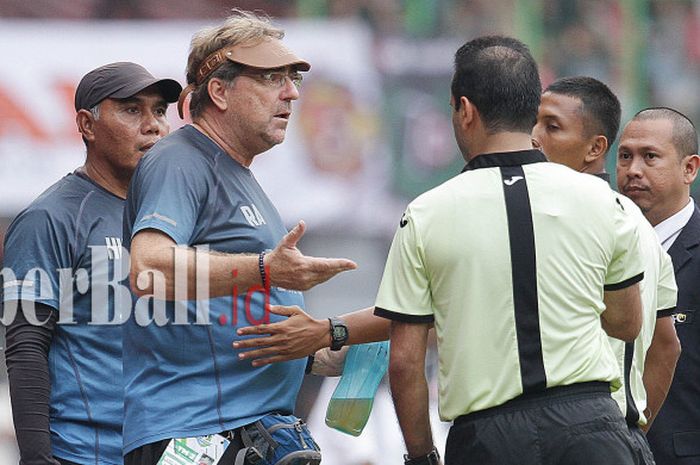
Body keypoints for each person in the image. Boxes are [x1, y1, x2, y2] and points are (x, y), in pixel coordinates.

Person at [374, 36, 645, 465]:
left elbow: (406, 364)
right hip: (592, 428)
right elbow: (627, 324)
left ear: (465, 110)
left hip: (487, 438)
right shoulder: (603, 202)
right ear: (530, 108)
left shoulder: (424, 214)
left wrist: (423, 457)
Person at [121, 9, 356, 465]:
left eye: (293, 80)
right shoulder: (182, 160)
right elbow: (148, 271)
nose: (290, 93)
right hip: (196, 434)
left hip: (243, 430)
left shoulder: (237, 175)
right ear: (219, 91)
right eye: (271, 78)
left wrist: (345, 341)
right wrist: (265, 269)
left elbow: (228, 327)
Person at [1, 62, 181, 465]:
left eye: (159, 111)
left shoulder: (173, 215)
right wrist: (36, 458)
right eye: (132, 110)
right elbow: (25, 345)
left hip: (169, 451)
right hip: (86, 452)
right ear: (87, 124)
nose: (153, 125)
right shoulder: (50, 218)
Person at [532, 76, 681, 464]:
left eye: (551, 126)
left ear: (595, 147)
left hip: (571, 436)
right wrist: (632, 428)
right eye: (534, 123)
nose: (534, 137)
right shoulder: (639, 225)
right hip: (617, 439)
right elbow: (668, 345)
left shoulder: (564, 216)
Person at [617, 107, 700, 465]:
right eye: (625, 156)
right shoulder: (601, 245)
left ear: (689, 168)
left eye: (649, 156)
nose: (633, 169)